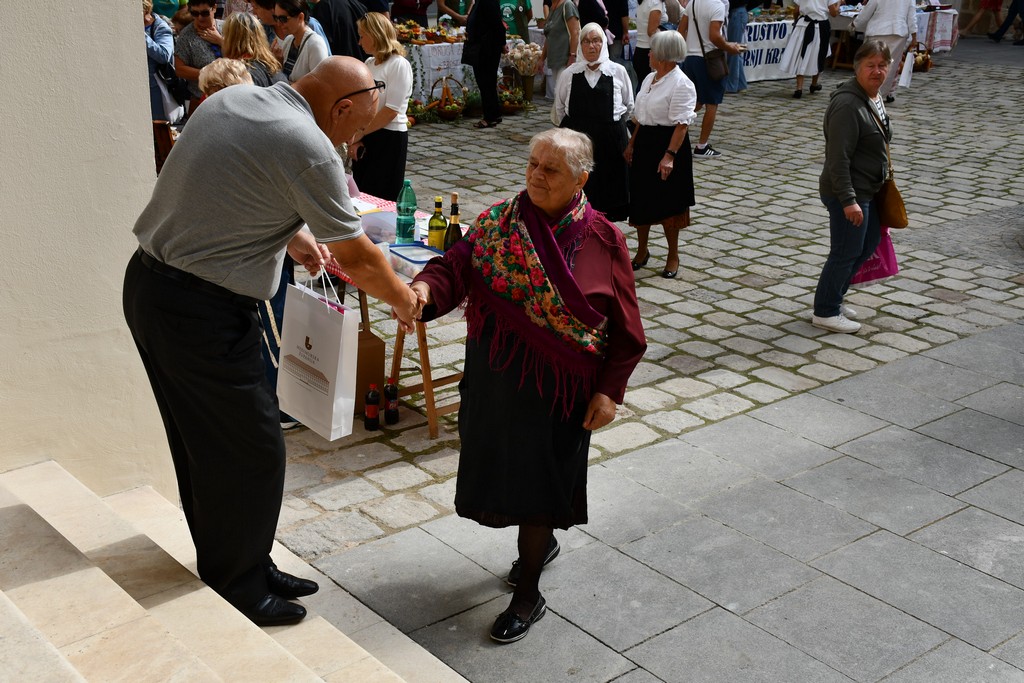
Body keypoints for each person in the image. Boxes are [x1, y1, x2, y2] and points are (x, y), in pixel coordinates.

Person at [124, 57, 424, 627]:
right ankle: (238, 584)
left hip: (153, 287)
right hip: (199, 309)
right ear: (338, 107)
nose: (355, 140)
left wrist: (295, 236)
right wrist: (404, 300)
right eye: (357, 127)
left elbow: (236, 185)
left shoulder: (237, 100)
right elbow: (360, 257)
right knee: (253, 449)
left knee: (208, 445)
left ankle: (246, 560)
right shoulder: (308, 144)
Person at [407, 128, 646, 644]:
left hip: (560, 393)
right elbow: (455, 268)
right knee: (503, 474)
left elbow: (627, 328)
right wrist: (425, 290)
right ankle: (539, 548)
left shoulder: (604, 238)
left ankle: (528, 593)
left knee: (541, 485)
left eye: (551, 169)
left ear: (582, 178)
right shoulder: (498, 223)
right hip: (495, 378)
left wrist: (610, 390)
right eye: (533, 163)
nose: (537, 174)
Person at [812, 40, 893, 334]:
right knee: (845, 251)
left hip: (867, 190)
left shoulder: (873, 96)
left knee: (866, 245)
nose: (877, 71)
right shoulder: (847, 105)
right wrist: (848, 200)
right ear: (858, 67)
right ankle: (825, 311)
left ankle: (834, 297)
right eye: (870, 65)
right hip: (848, 192)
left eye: (882, 65)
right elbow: (837, 158)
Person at [624, 30, 696, 278]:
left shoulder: (682, 84)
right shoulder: (649, 79)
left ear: (664, 55)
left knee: (669, 204)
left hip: (668, 145)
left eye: (652, 51)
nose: (649, 54)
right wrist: (631, 144)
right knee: (641, 200)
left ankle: (672, 255)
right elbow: (640, 118)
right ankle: (642, 250)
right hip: (645, 143)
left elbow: (682, 125)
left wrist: (669, 156)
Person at [554, 22, 634, 221]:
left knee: (609, 194)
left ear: (604, 43)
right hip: (578, 142)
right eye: (586, 41)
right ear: (580, 45)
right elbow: (559, 109)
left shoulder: (618, 71)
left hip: (611, 143)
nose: (591, 46)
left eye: (596, 40)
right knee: (577, 193)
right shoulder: (569, 74)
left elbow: (629, 106)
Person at [351, 12, 413, 199]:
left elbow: (391, 111)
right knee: (362, 193)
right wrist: (356, 136)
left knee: (382, 194)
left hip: (389, 136)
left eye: (362, 36)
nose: (359, 42)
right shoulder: (369, 63)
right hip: (369, 133)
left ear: (375, 35)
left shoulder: (398, 65)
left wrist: (360, 133)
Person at [678, 0, 744, 157]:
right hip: (707, 59)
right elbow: (714, 36)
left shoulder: (692, 3)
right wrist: (730, 47)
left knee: (694, 102)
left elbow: (681, 31)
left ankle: (672, 134)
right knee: (712, 103)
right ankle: (702, 146)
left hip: (690, 58)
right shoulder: (717, 6)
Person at [852, 0, 917, 103]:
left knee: (870, 63)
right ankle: (882, 93)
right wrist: (914, 36)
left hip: (878, 30)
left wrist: (855, 24)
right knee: (889, 66)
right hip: (897, 31)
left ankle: (868, 91)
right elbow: (912, 16)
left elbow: (868, 10)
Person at [780, 0, 839, 98]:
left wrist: (796, 21)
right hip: (820, 26)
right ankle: (814, 84)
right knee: (818, 54)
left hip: (803, 25)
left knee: (801, 55)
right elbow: (833, 13)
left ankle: (799, 88)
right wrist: (839, 4)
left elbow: (796, 10)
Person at [174, 0, 225, 112]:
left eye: (205, 13)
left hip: (230, 97)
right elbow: (179, 69)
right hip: (201, 101)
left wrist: (221, 41)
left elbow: (242, 58)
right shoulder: (186, 36)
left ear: (214, 8)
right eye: (195, 14)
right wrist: (210, 74)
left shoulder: (227, 28)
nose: (200, 18)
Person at [463, 0, 506, 128]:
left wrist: (502, 43)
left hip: (487, 46)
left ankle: (490, 116)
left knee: (486, 81)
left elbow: (497, 23)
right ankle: (494, 113)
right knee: (486, 82)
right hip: (483, 44)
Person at [222, 10, 283, 86]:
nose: (223, 39)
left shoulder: (240, 73)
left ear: (231, 39)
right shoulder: (272, 65)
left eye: (225, 35)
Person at [275, 0, 331, 81]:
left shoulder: (315, 44)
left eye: (283, 19)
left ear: (300, 17)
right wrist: (278, 62)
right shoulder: (288, 40)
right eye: (276, 18)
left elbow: (320, 83)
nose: (278, 24)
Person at [541, 0, 581, 100]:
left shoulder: (567, 5)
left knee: (563, 95)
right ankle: (560, 115)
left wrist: (572, 57)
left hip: (566, 60)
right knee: (559, 94)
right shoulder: (552, 8)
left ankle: (563, 115)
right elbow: (549, 36)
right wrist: (541, 59)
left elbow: (575, 33)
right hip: (555, 60)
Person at [145, 0, 176, 119]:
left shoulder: (159, 26)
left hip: (157, 89)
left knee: (158, 129)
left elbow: (164, 56)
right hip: (137, 87)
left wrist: (141, 35)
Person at [723, 0, 761, 93]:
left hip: (737, 12)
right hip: (737, 11)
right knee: (734, 49)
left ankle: (731, 85)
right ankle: (740, 83)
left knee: (733, 49)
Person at [632, 0, 665, 90]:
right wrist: (665, 33)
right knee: (650, 89)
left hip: (640, 49)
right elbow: (651, 31)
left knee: (642, 87)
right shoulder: (655, 3)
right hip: (649, 51)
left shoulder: (643, 2)